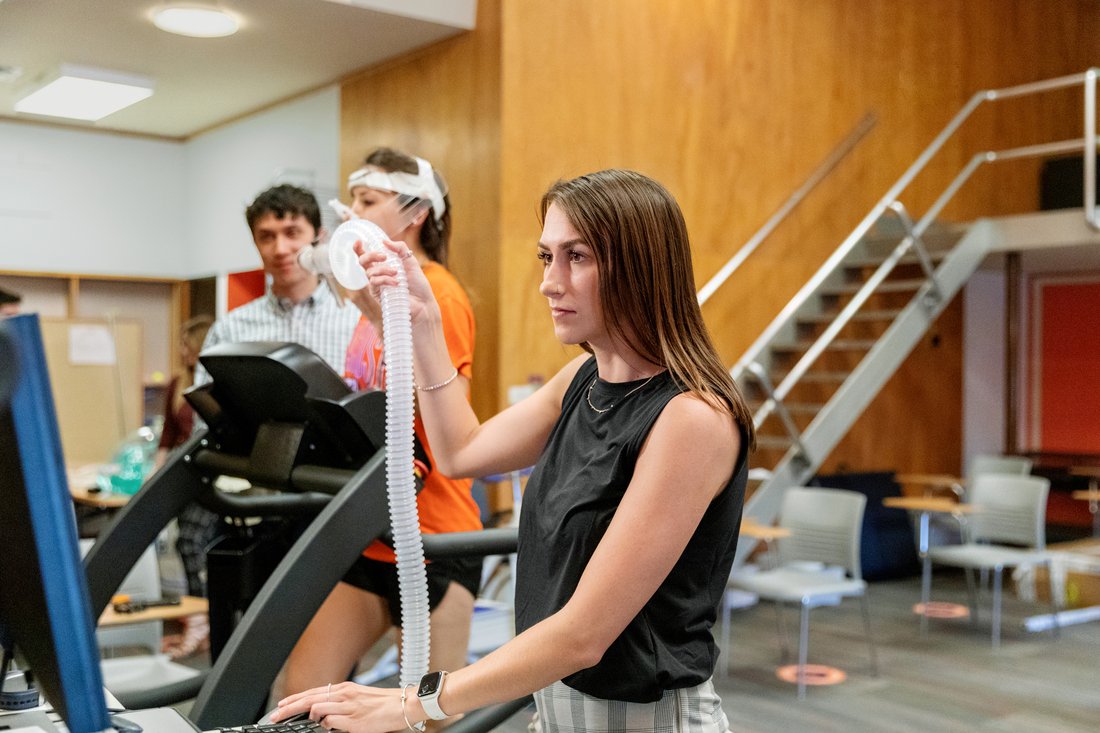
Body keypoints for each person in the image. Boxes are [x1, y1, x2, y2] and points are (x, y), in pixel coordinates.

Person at [272, 169, 755, 733]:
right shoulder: (581, 379)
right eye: (547, 257)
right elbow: (460, 451)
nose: (551, 282)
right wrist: (424, 323)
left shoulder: (692, 418)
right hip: (553, 711)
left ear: (641, 266)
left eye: (578, 256)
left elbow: (583, 635)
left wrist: (411, 702)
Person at [280, 149, 482, 723]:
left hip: (433, 536)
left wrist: (380, 314)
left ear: (415, 212)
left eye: (368, 202)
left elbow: (446, 421)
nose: (353, 215)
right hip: (372, 534)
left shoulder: (434, 295)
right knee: (302, 697)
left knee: (425, 717)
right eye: (352, 202)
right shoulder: (369, 303)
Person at [175, 184, 361, 658]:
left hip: (329, 507)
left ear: (318, 236)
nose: (280, 249)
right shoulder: (232, 329)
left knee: (328, 655)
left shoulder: (355, 322)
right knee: (246, 651)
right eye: (266, 236)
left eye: (292, 232)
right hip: (254, 511)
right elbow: (208, 424)